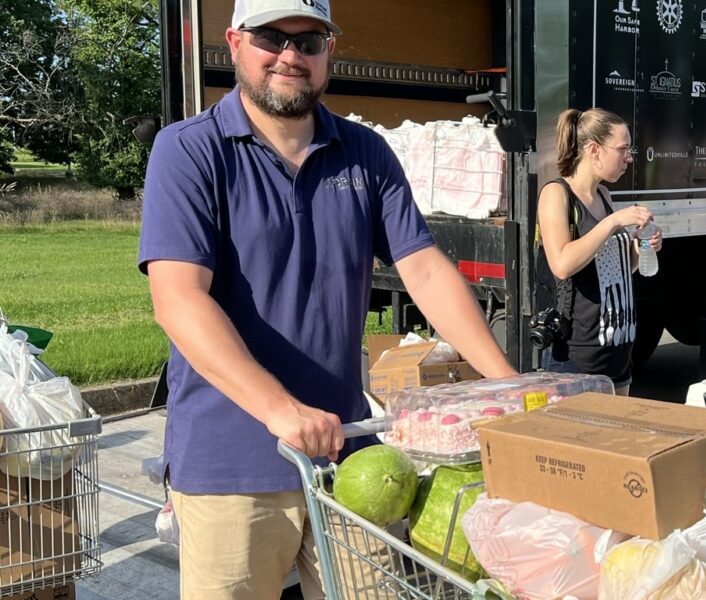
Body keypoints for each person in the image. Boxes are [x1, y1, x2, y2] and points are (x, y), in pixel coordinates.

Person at [137, 0, 517, 597]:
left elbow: (422, 268)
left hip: (352, 458)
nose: (290, 56)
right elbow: (179, 299)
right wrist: (280, 410)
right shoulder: (189, 151)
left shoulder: (364, 153)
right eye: (271, 38)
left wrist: (503, 385)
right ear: (234, 43)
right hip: (230, 465)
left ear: (329, 53)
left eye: (309, 41)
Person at [536, 108, 661, 396]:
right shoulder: (556, 193)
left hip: (617, 350)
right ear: (594, 150)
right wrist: (614, 221)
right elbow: (563, 264)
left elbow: (618, 268)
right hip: (577, 357)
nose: (629, 158)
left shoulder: (604, 195)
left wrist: (642, 245)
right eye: (622, 149)